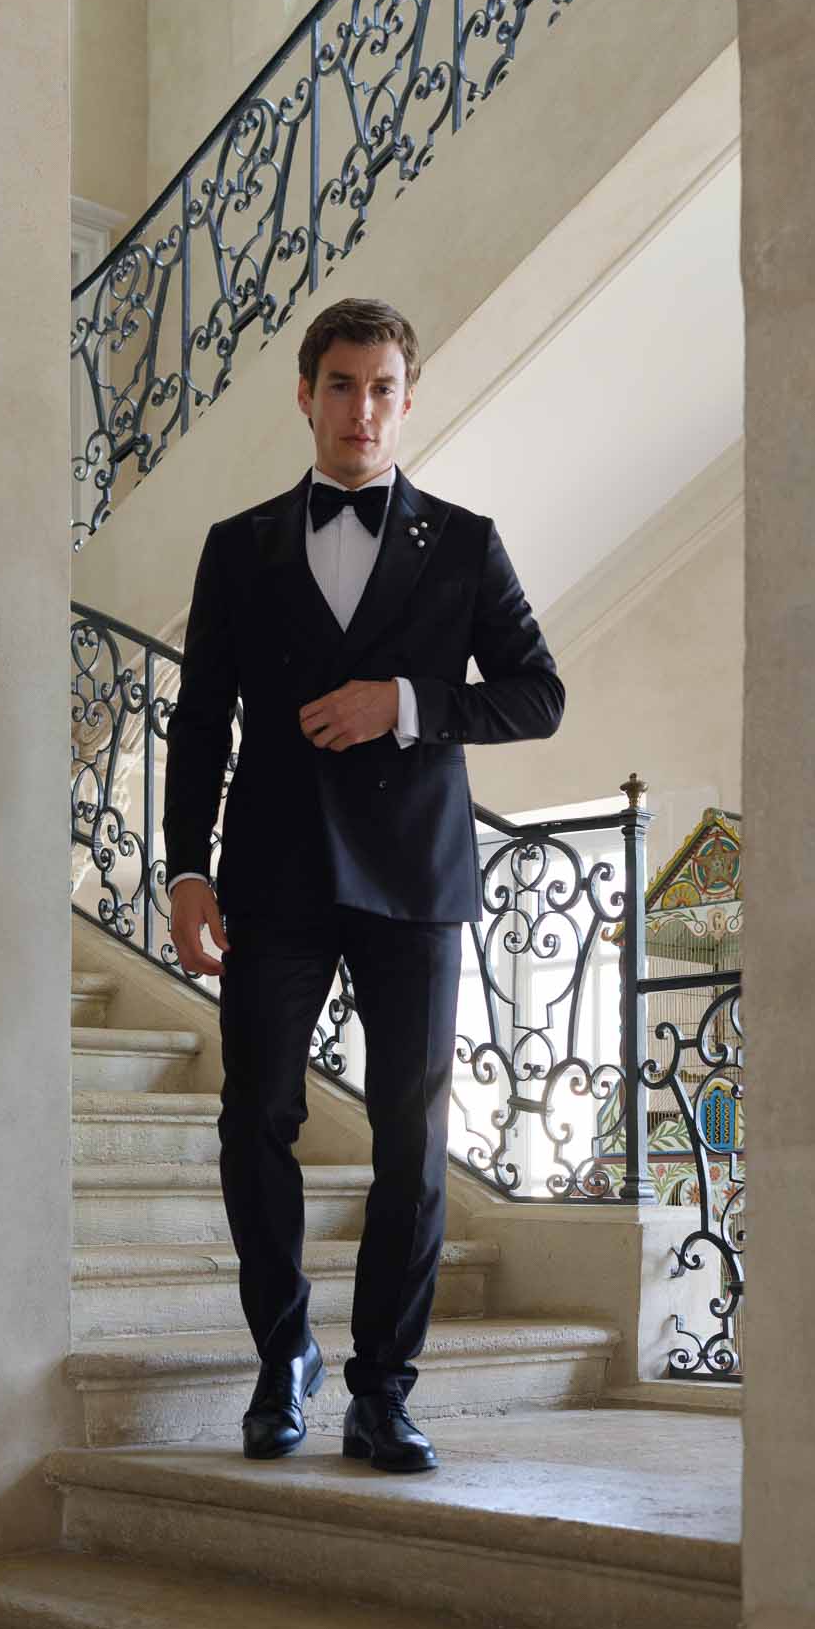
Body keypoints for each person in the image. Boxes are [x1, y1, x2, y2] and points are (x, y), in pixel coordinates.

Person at [162, 296, 564, 1473]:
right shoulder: (238, 545)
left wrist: (408, 704)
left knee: (411, 1143)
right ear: (306, 394)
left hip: (414, 880)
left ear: (407, 397)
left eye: (383, 385)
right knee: (256, 1122)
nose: (362, 408)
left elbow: (538, 694)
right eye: (341, 384)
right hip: (275, 877)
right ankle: (283, 1353)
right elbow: (197, 726)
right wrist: (186, 867)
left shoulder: (468, 541)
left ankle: (383, 1388)